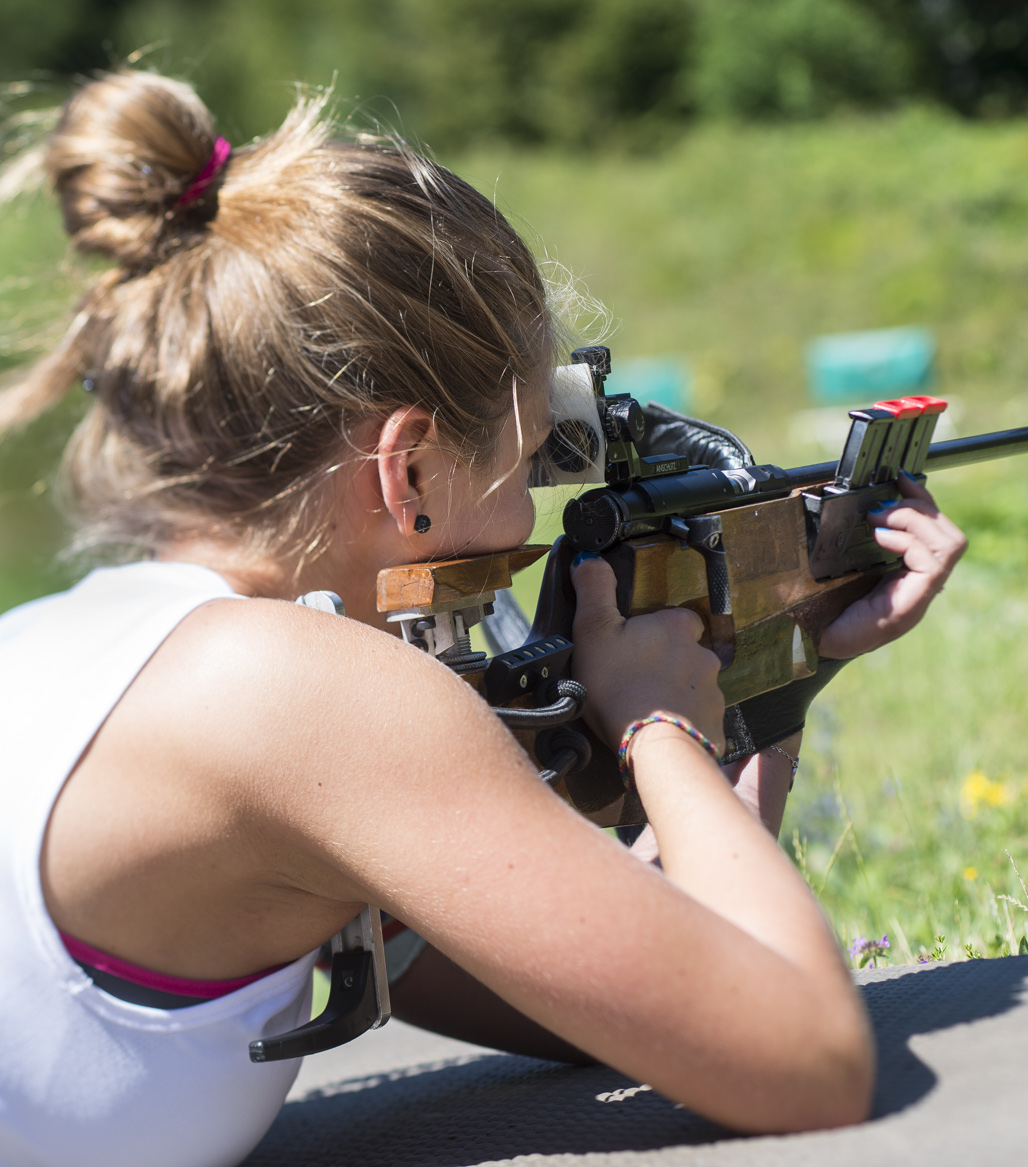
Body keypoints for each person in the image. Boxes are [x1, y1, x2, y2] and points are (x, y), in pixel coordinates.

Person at [0, 70, 966, 1167]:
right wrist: (662, 731)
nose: (523, 515)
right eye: (519, 465)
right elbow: (802, 1060)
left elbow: (629, 997)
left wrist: (768, 669)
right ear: (406, 468)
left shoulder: (69, 649)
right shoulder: (304, 693)